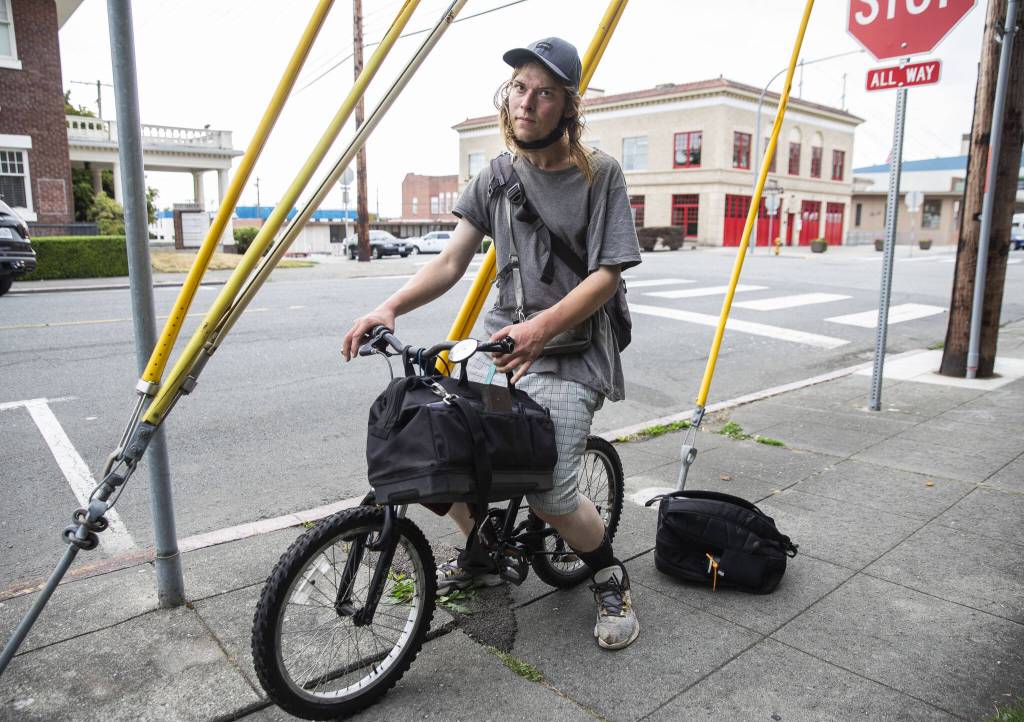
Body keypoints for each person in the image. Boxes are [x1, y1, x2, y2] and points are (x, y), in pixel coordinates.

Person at [342, 36, 641, 650]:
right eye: (520, 88)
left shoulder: (600, 173)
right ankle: (482, 552)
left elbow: (607, 274)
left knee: (552, 492)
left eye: (545, 92)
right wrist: (390, 306)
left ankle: (609, 573)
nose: (527, 102)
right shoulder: (496, 177)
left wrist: (542, 327)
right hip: (504, 344)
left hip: (573, 349)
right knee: (442, 457)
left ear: (568, 106)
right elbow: (452, 261)